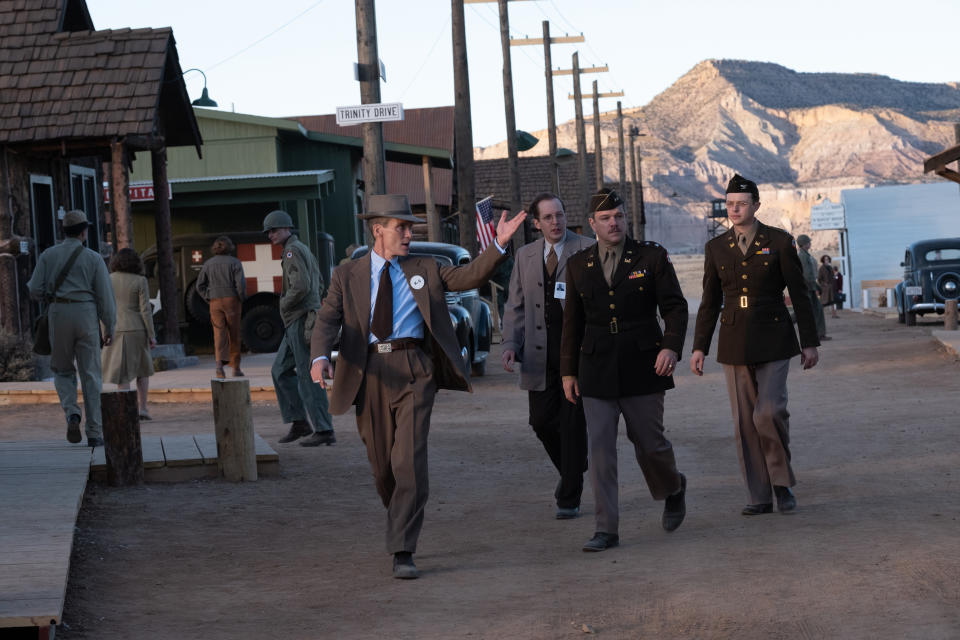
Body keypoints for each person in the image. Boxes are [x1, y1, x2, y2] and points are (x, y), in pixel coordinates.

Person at [309, 194, 525, 579]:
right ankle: (401, 516)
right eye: (401, 227)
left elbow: (469, 276)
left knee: (408, 460)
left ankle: (403, 548)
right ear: (378, 230)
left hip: (414, 370)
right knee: (382, 467)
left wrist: (499, 244)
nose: (409, 234)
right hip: (368, 371)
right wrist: (320, 356)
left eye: (411, 227)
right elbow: (328, 319)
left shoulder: (425, 266)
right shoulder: (347, 275)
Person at [560, 188, 688, 553]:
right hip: (596, 367)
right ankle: (606, 529)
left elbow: (675, 308)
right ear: (592, 224)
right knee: (600, 450)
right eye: (605, 218)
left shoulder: (651, 256)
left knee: (649, 443)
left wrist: (670, 346)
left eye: (618, 215)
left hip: (645, 363)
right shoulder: (578, 265)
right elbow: (573, 323)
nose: (613, 222)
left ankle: (673, 487)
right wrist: (568, 372)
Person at [690, 174, 820, 516]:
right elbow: (709, 300)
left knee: (769, 412)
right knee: (744, 421)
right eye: (730, 204)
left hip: (775, 336)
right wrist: (699, 346)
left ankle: (781, 482)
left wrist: (809, 342)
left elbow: (800, 294)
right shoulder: (716, 247)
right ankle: (759, 494)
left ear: (756, 206)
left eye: (742, 204)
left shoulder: (779, 241)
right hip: (734, 340)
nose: (734, 209)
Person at [501, 192, 593, 520]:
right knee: (540, 422)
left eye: (560, 215)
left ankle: (569, 495)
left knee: (572, 425)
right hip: (538, 354)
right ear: (537, 223)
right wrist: (510, 343)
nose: (557, 222)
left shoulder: (586, 248)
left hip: (576, 355)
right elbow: (515, 305)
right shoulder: (525, 256)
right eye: (549, 218)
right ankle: (575, 468)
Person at [27, 210, 116, 447]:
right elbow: (105, 298)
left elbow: (34, 290)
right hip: (86, 314)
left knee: (62, 370)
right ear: (84, 231)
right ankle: (95, 433)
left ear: (63, 231)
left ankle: (72, 413)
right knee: (91, 375)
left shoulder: (48, 255)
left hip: (59, 313)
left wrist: (51, 295)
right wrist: (110, 326)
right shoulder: (94, 258)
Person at [262, 210, 335, 447]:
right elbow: (320, 282)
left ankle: (324, 429)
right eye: (269, 232)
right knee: (280, 371)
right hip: (301, 318)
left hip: (301, 319)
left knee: (307, 375)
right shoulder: (301, 249)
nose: (270, 235)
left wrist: (283, 303)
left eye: (274, 230)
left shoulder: (292, 251)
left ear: (286, 229)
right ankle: (300, 422)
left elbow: (301, 286)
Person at [100, 248, 156, 419]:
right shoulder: (141, 281)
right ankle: (143, 408)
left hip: (116, 328)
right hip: (137, 328)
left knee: (121, 373)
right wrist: (151, 334)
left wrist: (104, 331)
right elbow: (145, 310)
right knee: (142, 370)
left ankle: (125, 409)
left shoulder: (108, 280)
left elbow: (104, 308)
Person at [196, 235, 246, 378]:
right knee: (234, 333)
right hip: (232, 301)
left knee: (219, 334)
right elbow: (240, 285)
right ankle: (235, 368)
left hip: (214, 301)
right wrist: (241, 298)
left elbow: (200, 285)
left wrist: (208, 296)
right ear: (230, 247)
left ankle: (219, 367)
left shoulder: (208, 264)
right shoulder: (235, 262)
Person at [797, 234, 829, 340]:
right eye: (808, 242)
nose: (810, 243)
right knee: (804, 311)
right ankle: (784, 323)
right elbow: (806, 275)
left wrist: (816, 287)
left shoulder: (806, 255)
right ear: (804, 244)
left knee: (816, 310)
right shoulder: (802, 256)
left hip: (810, 287)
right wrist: (814, 287)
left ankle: (820, 334)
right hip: (808, 289)